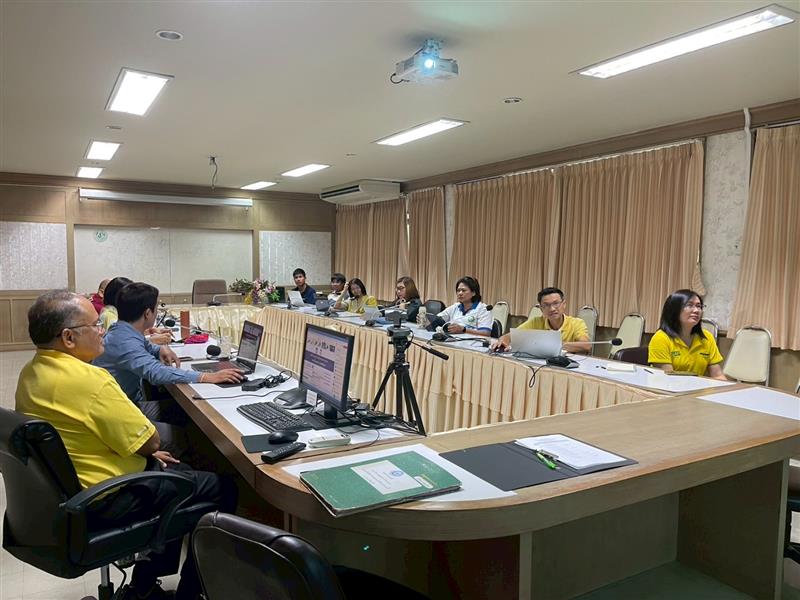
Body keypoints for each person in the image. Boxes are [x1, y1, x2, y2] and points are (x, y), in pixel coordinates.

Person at [15, 290, 236, 600]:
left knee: (177, 469)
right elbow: (151, 440)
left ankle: (144, 584)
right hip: (106, 497)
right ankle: (188, 593)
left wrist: (148, 452)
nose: (102, 331)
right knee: (222, 487)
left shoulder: (30, 373)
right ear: (68, 338)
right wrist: (149, 450)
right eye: (95, 325)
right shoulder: (91, 380)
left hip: (67, 495)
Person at [94, 282, 244, 422]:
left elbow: (146, 346)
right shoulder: (125, 341)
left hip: (121, 405)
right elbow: (156, 373)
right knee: (193, 415)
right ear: (147, 313)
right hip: (122, 414)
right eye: (157, 308)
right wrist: (206, 376)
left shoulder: (121, 330)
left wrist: (160, 348)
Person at [648, 289, 727, 379]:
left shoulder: (707, 337)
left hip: (698, 386)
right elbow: (667, 379)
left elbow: (718, 375)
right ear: (674, 310)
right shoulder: (661, 338)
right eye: (689, 305)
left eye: (699, 306)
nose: (696, 310)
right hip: (671, 386)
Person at [491, 287, 590, 353]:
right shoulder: (536, 322)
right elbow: (510, 336)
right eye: (546, 305)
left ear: (564, 304)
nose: (552, 309)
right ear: (541, 309)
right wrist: (502, 341)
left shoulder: (577, 323)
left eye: (556, 303)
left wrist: (552, 345)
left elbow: (586, 345)